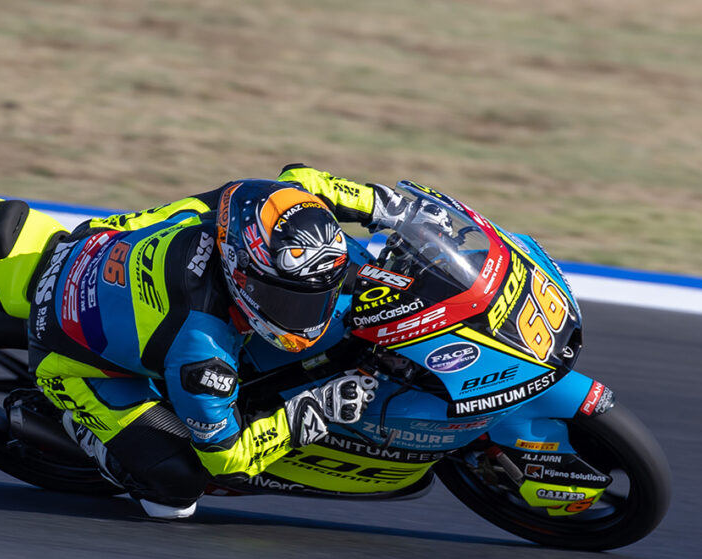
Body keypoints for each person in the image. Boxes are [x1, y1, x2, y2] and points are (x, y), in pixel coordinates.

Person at [27, 165, 415, 518]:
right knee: (176, 490)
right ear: (240, 275)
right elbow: (227, 461)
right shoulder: (201, 351)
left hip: (96, 242)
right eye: (288, 302)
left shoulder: (249, 206)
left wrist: (396, 211)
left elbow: (303, 182)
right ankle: (79, 427)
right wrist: (313, 411)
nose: (307, 317)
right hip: (68, 351)